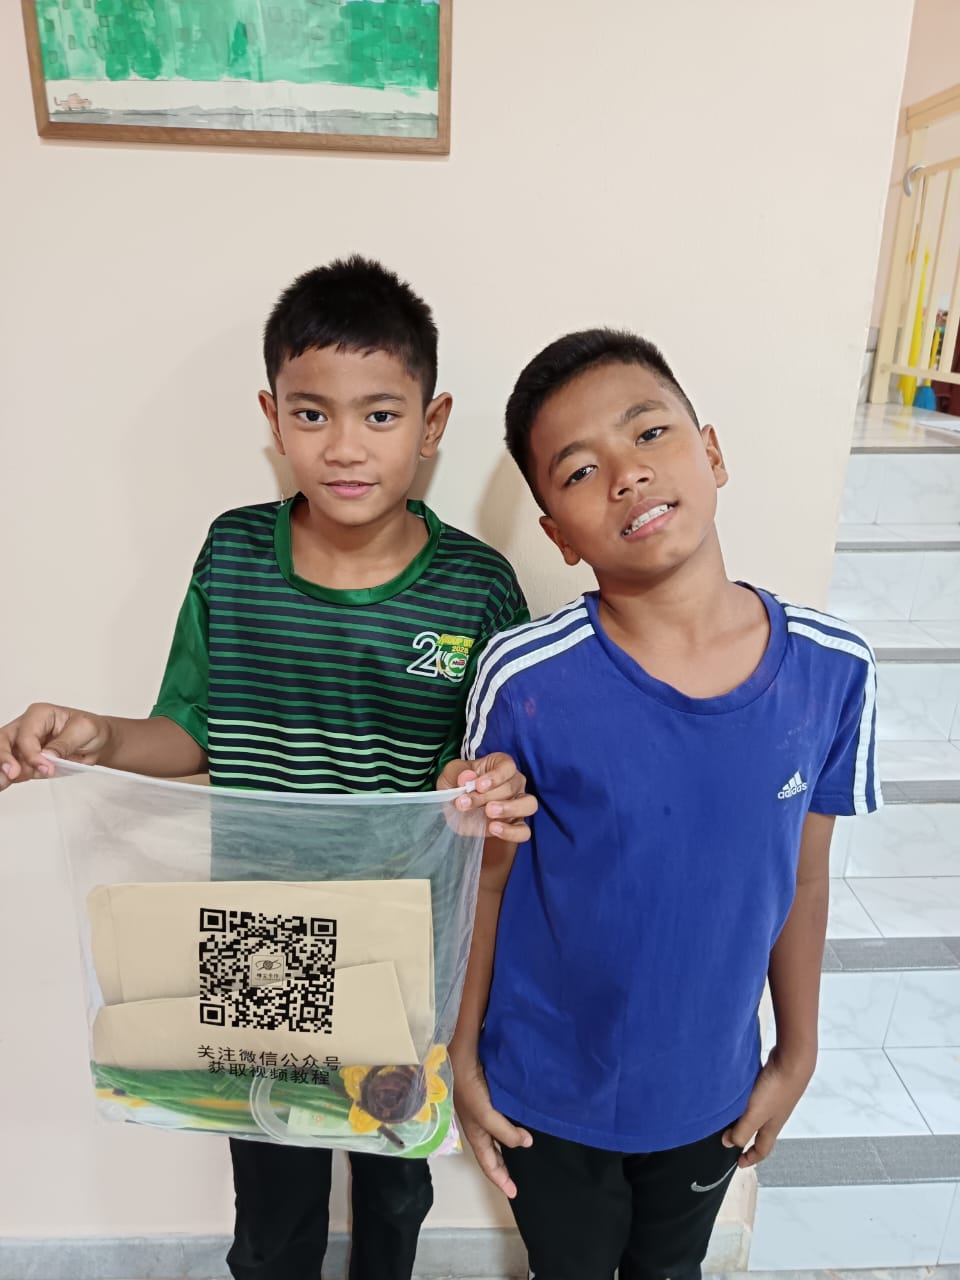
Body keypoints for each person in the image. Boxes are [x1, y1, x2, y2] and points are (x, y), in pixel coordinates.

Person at [0, 256, 537, 1280]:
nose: (345, 445)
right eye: (312, 413)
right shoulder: (235, 554)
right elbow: (190, 730)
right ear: (272, 417)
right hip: (259, 939)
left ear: (431, 423)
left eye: (381, 415)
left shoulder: (476, 587)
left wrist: (484, 781)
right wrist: (96, 737)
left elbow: (490, 766)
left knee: (393, 1180)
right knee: (273, 1185)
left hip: (405, 944)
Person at [450, 328, 881, 1280]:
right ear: (558, 535)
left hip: (711, 1092)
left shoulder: (832, 670)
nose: (627, 475)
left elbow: (804, 879)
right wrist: (462, 1058)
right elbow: (483, 881)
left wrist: (798, 1053)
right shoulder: (524, 678)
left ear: (712, 452)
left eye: (649, 433)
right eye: (580, 470)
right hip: (545, 1092)